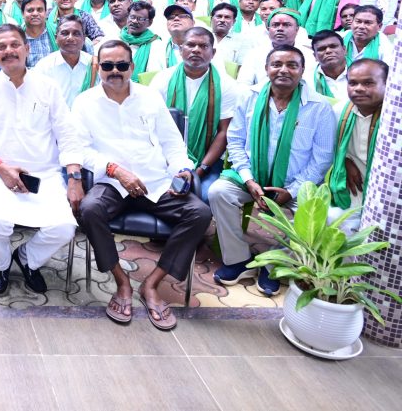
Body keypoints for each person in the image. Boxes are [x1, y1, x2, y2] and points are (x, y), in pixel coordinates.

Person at [71, 41, 211, 329]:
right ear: (99, 68)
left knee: (200, 213)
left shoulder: (150, 97)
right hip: (112, 182)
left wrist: (183, 170)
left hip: (155, 181)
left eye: (121, 65)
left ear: (132, 67)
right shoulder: (84, 102)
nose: (115, 71)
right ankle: (122, 282)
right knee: (89, 209)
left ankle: (152, 283)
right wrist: (115, 170)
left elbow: (172, 142)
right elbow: (80, 149)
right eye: (108, 65)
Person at [209, 46, 336, 296]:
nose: (283, 70)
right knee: (218, 192)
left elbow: (322, 159)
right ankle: (238, 259)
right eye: (277, 64)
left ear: (302, 70)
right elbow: (235, 141)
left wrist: (292, 190)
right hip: (252, 178)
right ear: (266, 69)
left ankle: (274, 264)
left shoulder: (319, 107)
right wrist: (249, 180)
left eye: (292, 65)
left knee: (316, 214)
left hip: (295, 183)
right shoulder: (250, 97)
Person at [0, 24, 80, 294]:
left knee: (65, 228)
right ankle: (2, 265)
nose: (9, 51)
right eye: (1, 47)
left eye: (14, 45)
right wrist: (0, 167)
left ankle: (28, 258)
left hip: (44, 174)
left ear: (27, 49)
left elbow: (67, 134)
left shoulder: (48, 87)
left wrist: (74, 178)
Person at [149, 28, 238, 202]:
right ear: (180, 49)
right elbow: (150, 125)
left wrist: (200, 170)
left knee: (204, 197)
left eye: (203, 46)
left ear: (213, 53)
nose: (196, 50)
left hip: (207, 160)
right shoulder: (163, 79)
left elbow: (223, 132)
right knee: (160, 194)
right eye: (190, 45)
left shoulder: (227, 85)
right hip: (165, 157)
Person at [326, 59, 388, 234]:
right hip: (353, 191)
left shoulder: (394, 119)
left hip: (386, 196)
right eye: (353, 83)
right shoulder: (339, 112)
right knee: (330, 222)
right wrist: (344, 160)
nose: (359, 88)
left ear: (387, 84)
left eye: (368, 83)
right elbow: (328, 148)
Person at [236, 9, 316, 87]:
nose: (280, 29)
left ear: (297, 29)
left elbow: (310, 86)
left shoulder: (308, 55)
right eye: (275, 25)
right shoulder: (255, 54)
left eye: (286, 25)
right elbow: (243, 85)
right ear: (268, 29)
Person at [34, 15, 98, 107]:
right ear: (56, 38)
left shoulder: (94, 65)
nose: (70, 38)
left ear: (84, 39)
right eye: (65, 33)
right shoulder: (44, 67)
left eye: (76, 33)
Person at [119, 1, 165, 81]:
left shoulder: (156, 44)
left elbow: (156, 73)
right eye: (132, 17)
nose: (134, 21)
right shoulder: (116, 38)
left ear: (150, 22)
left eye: (141, 19)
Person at [310, 30, 349, 102]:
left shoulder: (364, 73)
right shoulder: (307, 80)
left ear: (344, 50)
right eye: (322, 49)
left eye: (333, 46)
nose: (328, 51)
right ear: (315, 56)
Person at [210, 3, 248, 68]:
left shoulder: (241, 41)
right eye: (219, 16)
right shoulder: (201, 37)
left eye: (227, 17)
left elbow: (241, 67)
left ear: (234, 22)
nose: (222, 20)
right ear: (211, 19)